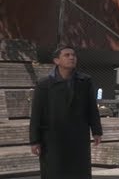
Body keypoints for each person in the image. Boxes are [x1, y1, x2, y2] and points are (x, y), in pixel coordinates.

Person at [29, 44, 103, 179]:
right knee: (54, 172)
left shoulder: (85, 81)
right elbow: (36, 113)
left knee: (78, 172)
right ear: (56, 61)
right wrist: (34, 140)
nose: (72, 58)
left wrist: (97, 130)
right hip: (52, 138)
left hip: (78, 137)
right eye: (67, 55)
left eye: (73, 55)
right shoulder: (44, 84)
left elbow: (91, 107)